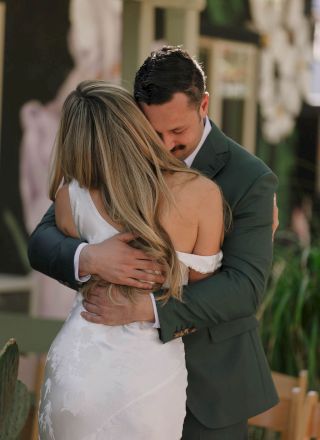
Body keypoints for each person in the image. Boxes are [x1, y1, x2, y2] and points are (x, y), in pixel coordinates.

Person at [29, 46, 279, 439]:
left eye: (177, 132)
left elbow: (245, 288)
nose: (162, 145)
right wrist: (90, 257)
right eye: (152, 131)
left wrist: (146, 308)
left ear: (204, 105)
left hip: (210, 389)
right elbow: (43, 241)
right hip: (110, 377)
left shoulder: (250, 178)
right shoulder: (113, 158)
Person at [37, 80, 225, 439]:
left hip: (75, 363)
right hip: (146, 371)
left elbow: (51, 247)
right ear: (135, 125)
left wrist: (91, 257)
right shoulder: (201, 194)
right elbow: (203, 298)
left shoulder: (68, 198)